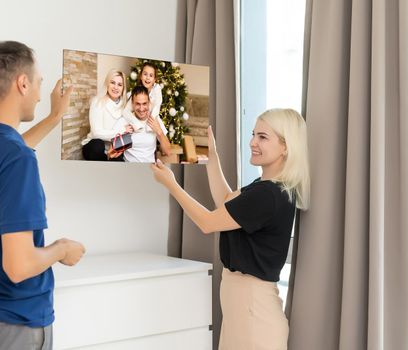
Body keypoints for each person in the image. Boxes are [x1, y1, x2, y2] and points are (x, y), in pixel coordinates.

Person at [0, 41, 86, 350]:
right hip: (14, 327)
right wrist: (62, 249)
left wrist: (53, 118)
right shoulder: (17, 160)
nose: (39, 93)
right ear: (22, 83)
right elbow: (19, 266)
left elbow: (8, 148)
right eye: (38, 83)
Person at [151, 109, 310, 350]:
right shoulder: (268, 188)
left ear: (285, 147)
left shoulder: (268, 195)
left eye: (263, 137)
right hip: (246, 309)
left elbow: (208, 222)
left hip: (254, 312)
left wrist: (172, 185)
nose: (252, 143)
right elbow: (227, 201)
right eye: (253, 134)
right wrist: (211, 157)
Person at [109, 85, 171, 163]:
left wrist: (159, 131)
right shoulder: (125, 121)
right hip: (129, 169)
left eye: (144, 104)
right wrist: (125, 135)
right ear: (132, 104)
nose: (141, 109)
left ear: (149, 103)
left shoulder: (155, 120)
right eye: (138, 104)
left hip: (149, 169)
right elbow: (110, 154)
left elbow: (168, 152)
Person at [81, 69, 132, 161]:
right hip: (94, 146)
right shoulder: (97, 101)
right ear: (107, 84)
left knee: (119, 161)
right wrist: (121, 131)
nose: (115, 87)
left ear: (123, 88)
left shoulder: (125, 105)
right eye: (112, 82)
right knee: (97, 145)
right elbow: (96, 133)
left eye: (120, 85)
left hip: (114, 147)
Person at [123, 62, 163, 132]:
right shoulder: (136, 92)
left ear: (154, 79)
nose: (147, 78)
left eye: (151, 75)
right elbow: (125, 111)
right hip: (140, 122)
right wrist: (137, 124)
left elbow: (157, 106)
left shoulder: (157, 89)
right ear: (141, 76)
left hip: (152, 121)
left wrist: (150, 126)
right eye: (145, 74)